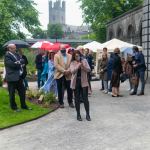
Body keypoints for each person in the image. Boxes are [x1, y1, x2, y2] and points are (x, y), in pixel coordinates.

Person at [4, 44, 31, 111]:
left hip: (19, 77)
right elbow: (12, 65)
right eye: (13, 48)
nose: (15, 49)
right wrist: (19, 63)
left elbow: (23, 60)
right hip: (12, 78)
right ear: (9, 49)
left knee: (22, 92)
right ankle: (14, 107)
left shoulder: (17, 54)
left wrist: (18, 62)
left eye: (15, 48)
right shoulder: (7, 56)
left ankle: (23, 105)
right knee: (12, 94)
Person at [70, 50, 91, 121]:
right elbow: (72, 71)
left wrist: (83, 67)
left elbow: (89, 70)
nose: (77, 57)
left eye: (78, 55)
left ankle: (88, 114)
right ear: (74, 56)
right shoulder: (72, 62)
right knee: (77, 99)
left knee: (85, 99)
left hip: (84, 81)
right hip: (76, 82)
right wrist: (77, 66)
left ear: (80, 55)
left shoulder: (84, 61)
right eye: (76, 56)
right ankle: (78, 114)